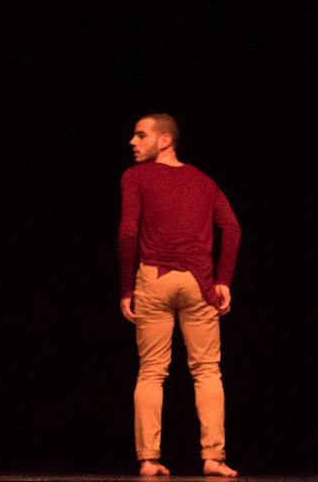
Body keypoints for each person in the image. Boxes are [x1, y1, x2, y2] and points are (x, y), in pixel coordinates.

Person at [119, 113, 242, 477]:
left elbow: (128, 233)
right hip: (199, 284)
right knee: (207, 371)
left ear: (165, 140)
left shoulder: (135, 176)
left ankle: (148, 460)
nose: (133, 141)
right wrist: (224, 281)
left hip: (154, 278)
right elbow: (232, 228)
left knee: (152, 372)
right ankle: (214, 458)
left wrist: (127, 288)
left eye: (141, 135)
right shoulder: (204, 181)